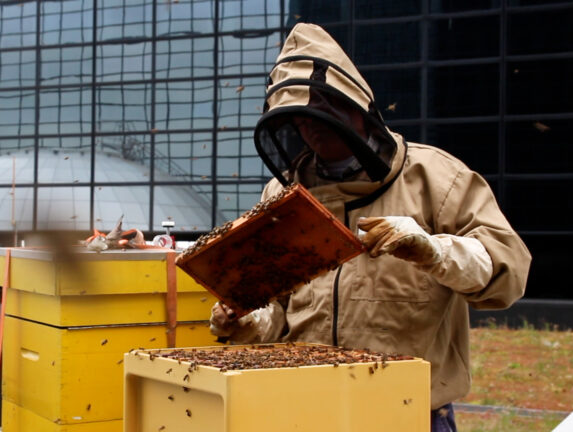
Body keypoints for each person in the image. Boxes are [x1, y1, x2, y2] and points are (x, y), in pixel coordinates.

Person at [209, 23, 531, 432]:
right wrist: (250, 320)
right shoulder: (281, 193)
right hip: (303, 409)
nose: (312, 126)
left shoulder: (436, 177)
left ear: (356, 106)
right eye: (301, 118)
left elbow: (507, 275)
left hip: (408, 413)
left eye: (325, 109)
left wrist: (435, 251)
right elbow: (277, 305)